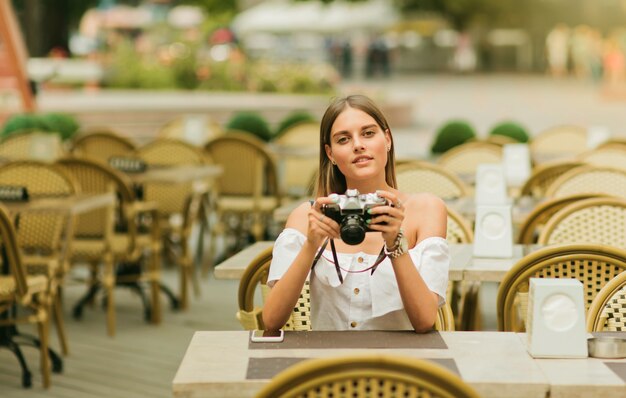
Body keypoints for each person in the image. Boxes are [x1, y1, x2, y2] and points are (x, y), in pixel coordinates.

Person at [263, 95, 449, 332]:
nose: (358, 145)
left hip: (399, 366)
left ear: (388, 139)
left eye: (368, 133)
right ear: (330, 154)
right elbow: (271, 320)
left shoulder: (424, 209)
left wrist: (396, 244)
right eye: (344, 139)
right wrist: (312, 244)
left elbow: (424, 321)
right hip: (329, 364)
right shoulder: (309, 216)